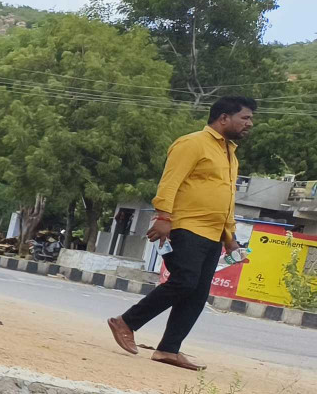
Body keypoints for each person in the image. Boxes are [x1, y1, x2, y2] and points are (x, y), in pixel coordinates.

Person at [107, 96, 256, 369]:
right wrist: (164, 215)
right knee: (185, 281)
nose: (250, 123)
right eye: (245, 118)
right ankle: (127, 322)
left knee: (198, 294)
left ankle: (169, 350)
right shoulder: (191, 143)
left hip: (213, 234)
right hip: (185, 226)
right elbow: (170, 181)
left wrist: (230, 239)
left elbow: (225, 201)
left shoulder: (230, 153)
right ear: (224, 118)